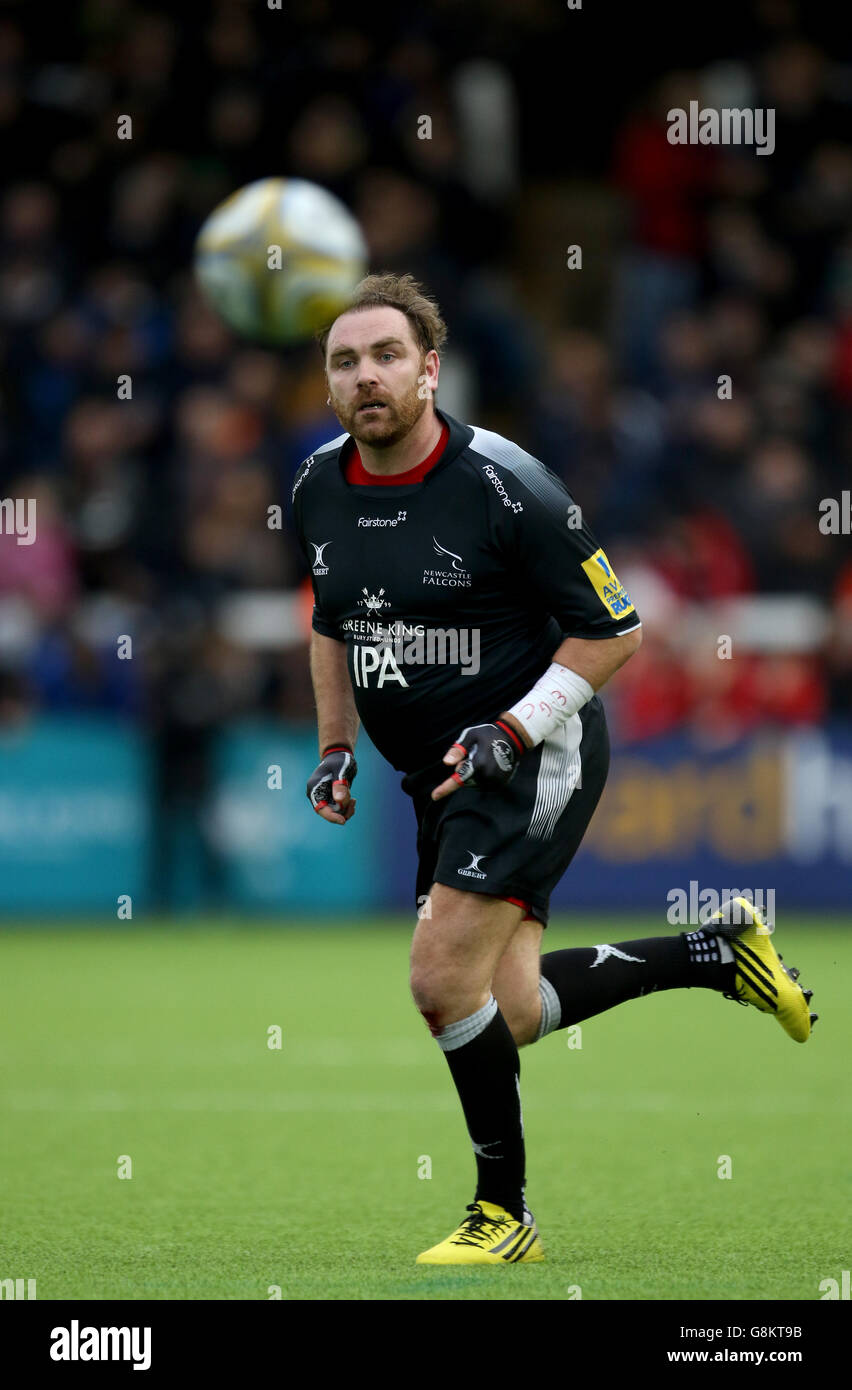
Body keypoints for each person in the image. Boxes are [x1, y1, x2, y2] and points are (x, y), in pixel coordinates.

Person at [292, 273, 816, 1266]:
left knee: (440, 981)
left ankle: (505, 1214)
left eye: (387, 356)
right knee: (513, 1008)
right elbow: (330, 620)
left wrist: (515, 729)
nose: (366, 376)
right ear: (327, 382)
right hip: (434, 778)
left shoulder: (505, 485)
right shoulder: (318, 484)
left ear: (431, 371)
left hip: (531, 754)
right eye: (345, 361)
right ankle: (717, 953)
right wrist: (333, 744)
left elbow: (614, 628)